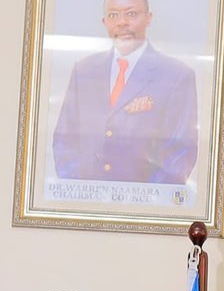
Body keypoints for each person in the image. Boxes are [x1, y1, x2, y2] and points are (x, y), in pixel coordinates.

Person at [50, 0, 199, 185]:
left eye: (131, 14)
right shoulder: (84, 70)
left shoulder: (176, 75)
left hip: (146, 198)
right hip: (87, 197)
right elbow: (64, 141)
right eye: (113, 15)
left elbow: (181, 153)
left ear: (148, 18)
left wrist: (144, 197)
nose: (122, 22)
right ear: (104, 21)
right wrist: (80, 189)